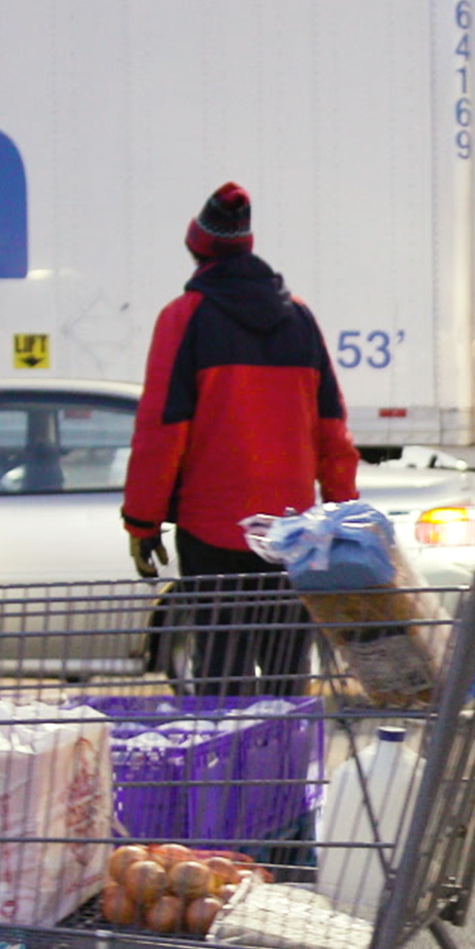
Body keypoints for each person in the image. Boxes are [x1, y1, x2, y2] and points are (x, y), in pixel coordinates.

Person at [122, 182, 361, 688]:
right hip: (291, 534)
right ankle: (288, 765)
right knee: (285, 677)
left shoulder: (183, 318)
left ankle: (228, 765)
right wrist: (342, 510)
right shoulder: (299, 320)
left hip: (212, 531)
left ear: (197, 250)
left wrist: (142, 522)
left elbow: (161, 431)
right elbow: (332, 429)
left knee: (222, 677)